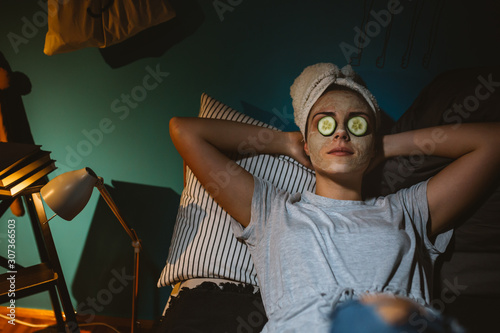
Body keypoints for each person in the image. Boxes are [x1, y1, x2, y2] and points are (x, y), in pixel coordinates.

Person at [169, 63, 500, 332]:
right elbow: (185, 131)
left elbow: (492, 143)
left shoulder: (407, 209)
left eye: (358, 124)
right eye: (324, 124)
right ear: (308, 141)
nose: (341, 132)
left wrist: (388, 145)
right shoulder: (272, 210)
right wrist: (284, 142)